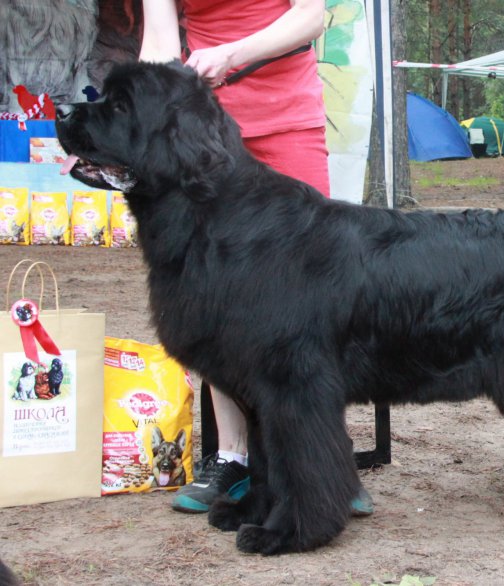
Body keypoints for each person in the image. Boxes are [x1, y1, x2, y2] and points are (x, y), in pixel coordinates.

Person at [138, 0, 373, 516]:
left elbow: (311, 17)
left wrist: (230, 54)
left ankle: (326, 462)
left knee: (309, 306)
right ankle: (233, 458)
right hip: (204, 133)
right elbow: (158, 44)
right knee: (215, 305)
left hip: (288, 115)